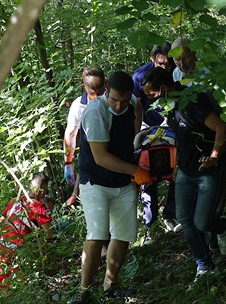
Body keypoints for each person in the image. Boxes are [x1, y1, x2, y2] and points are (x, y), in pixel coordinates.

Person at [142, 67, 226, 284]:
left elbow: (222, 129)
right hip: (184, 171)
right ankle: (204, 266)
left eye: (151, 94)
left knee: (202, 222)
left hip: (206, 172)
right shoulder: (171, 106)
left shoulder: (193, 102)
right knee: (184, 219)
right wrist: (176, 168)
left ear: (164, 89)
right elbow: (183, 139)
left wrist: (213, 156)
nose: (149, 99)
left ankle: (222, 227)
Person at [70, 71, 152, 304]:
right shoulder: (95, 113)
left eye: (123, 100)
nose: (118, 105)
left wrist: (135, 148)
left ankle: (110, 284)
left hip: (122, 181)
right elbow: (101, 157)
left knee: (123, 234)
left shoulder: (133, 103)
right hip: (95, 181)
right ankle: (84, 291)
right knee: (96, 235)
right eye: (115, 99)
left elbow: (136, 117)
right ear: (107, 91)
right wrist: (136, 171)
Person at [171, 36, 226, 251]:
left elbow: (225, 111)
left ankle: (218, 218)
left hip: (225, 131)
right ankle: (210, 223)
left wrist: (218, 146)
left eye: (185, 58)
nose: (182, 64)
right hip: (200, 138)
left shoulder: (211, 75)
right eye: (177, 61)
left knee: (220, 173)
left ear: (195, 53)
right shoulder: (176, 75)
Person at [64, 67, 143, 206]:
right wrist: (68, 163)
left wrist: (135, 136)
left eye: (100, 92)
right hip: (92, 161)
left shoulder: (120, 99)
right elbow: (70, 134)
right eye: (91, 93)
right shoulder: (79, 106)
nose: (96, 97)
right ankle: (75, 196)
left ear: (106, 86)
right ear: (84, 87)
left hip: (119, 163)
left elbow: (136, 104)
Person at [0, 173, 53, 293]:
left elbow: (2, 221)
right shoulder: (37, 207)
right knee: (13, 291)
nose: (45, 194)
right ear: (41, 191)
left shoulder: (14, 201)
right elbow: (49, 234)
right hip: (0, 255)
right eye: (46, 190)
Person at [132, 43, 180, 238]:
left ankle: (172, 214)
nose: (164, 67)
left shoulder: (176, 72)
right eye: (160, 63)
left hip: (173, 124)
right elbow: (136, 106)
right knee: (147, 170)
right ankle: (149, 222)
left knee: (176, 165)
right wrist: (137, 135)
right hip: (148, 126)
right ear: (152, 59)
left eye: (167, 63)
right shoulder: (140, 76)